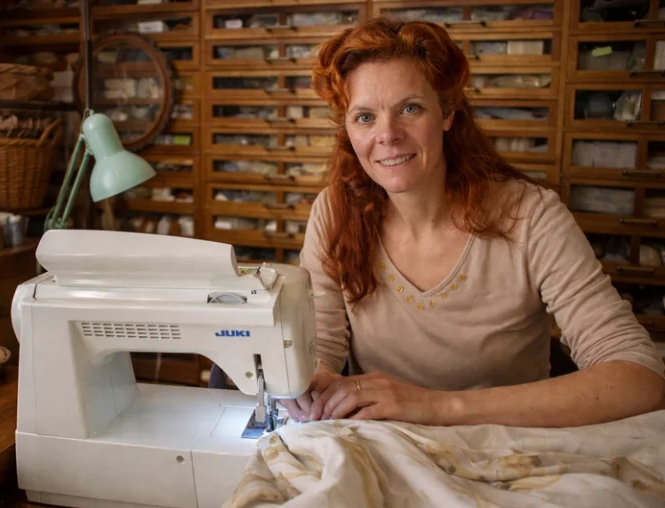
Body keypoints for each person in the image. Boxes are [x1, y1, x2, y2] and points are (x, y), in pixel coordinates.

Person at [280, 17, 665, 428]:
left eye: (410, 108)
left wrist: (436, 407)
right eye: (364, 117)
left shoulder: (530, 217)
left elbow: (640, 378)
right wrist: (306, 380)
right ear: (348, 129)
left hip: (509, 453)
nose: (387, 134)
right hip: (387, 449)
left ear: (447, 112)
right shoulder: (335, 212)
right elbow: (322, 345)